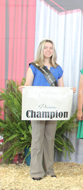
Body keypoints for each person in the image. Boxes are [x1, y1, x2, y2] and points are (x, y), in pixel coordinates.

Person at [18, 38, 76, 180]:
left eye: (51, 48)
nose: (48, 50)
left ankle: (49, 170)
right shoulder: (33, 67)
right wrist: (23, 89)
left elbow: (61, 89)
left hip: (53, 109)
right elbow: (28, 85)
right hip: (37, 108)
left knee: (49, 139)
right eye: (46, 47)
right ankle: (36, 172)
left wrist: (69, 91)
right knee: (37, 139)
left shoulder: (58, 68)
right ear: (41, 49)